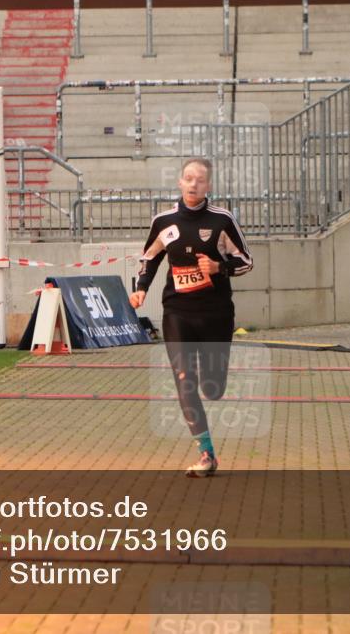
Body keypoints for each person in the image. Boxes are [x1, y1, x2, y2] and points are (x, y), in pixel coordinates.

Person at [129, 159, 253, 477]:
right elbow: (149, 258)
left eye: (199, 180)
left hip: (215, 313)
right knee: (185, 381)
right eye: (188, 178)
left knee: (213, 389)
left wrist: (219, 267)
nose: (193, 184)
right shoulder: (164, 221)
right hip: (177, 312)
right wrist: (141, 289)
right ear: (180, 183)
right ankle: (207, 454)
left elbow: (246, 261)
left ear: (208, 186)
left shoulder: (222, 220)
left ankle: (213, 381)